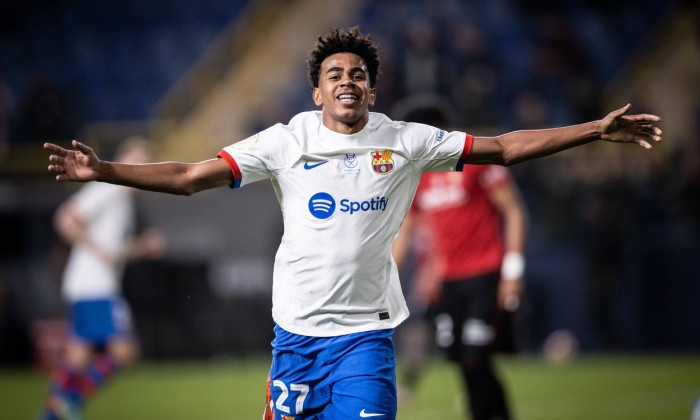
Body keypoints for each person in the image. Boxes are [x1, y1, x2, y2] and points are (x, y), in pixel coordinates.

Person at [43, 27, 661, 420]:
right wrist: (104, 172)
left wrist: (594, 129)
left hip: (364, 340)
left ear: (371, 89)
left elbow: (504, 148)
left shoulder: (407, 140)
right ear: (317, 93)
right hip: (293, 343)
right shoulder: (286, 141)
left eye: (358, 74)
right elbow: (187, 177)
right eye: (335, 74)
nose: (348, 81)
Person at [391, 101, 527, 419]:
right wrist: (385, 277)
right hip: (448, 282)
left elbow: (515, 210)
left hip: (484, 274)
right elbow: (407, 231)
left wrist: (512, 273)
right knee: (458, 357)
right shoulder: (418, 177)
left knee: (475, 355)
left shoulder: (475, 161)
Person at [40, 137, 166, 420]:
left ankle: (53, 412)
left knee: (79, 354)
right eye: (137, 161)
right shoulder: (108, 190)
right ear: (122, 162)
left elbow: (113, 253)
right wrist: (98, 251)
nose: (142, 168)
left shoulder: (123, 202)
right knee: (124, 350)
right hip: (94, 285)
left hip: (86, 285)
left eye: (146, 163)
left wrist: (141, 248)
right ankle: (68, 403)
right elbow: (65, 219)